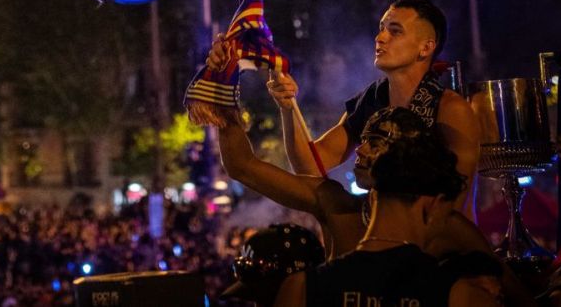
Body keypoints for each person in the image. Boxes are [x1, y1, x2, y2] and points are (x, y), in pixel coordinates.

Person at [201, 104, 535, 305]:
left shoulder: (447, 226)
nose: (360, 151)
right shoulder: (334, 202)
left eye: (375, 141)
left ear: (410, 152)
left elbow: (516, 295)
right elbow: (242, 166)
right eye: (362, 141)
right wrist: (224, 103)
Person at [209, 0, 481, 214]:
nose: (381, 38)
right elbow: (311, 166)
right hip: (382, 232)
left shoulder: (449, 108)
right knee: (327, 195)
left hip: (437, 250)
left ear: (426, 47)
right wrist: (288, 107)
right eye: (381, 29)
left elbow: (456, 201)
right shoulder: (373, 100)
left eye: (395, 31)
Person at [272, 119, 498, 306]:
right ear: (432, 205)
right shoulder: (461, 297)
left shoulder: (299, 289)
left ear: (374, 196)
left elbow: (244, 166)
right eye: (447, 214)